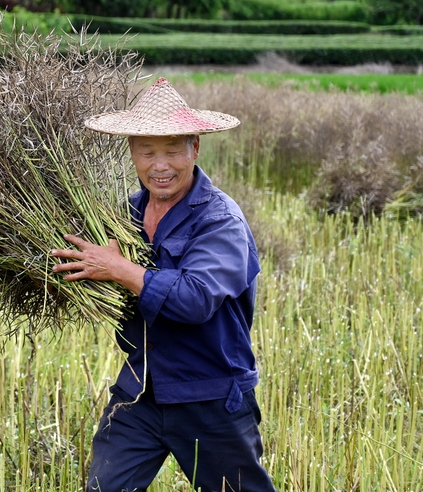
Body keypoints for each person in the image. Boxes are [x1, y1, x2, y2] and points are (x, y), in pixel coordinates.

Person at [50, 77, 277, 492]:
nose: (160, 164)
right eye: (147, 150)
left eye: (173, 150)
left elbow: (193, 300)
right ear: (132, 152)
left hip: (208, 395)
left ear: (195, 148)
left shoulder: (219, 220)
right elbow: (103, 278)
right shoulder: (128, 214)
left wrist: (118, 268)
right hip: (140, 392)